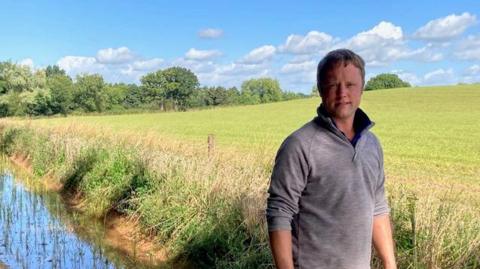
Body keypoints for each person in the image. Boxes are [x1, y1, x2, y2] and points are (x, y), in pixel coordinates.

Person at [266, 49, 396, 269]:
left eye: (350, 85)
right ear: (320, 90)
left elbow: (378, 207)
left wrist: (390, 264)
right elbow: (279, 212)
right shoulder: (300, 145)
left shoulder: (372, 145)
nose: (342, 93)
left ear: (362, 88)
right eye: (333, 84)